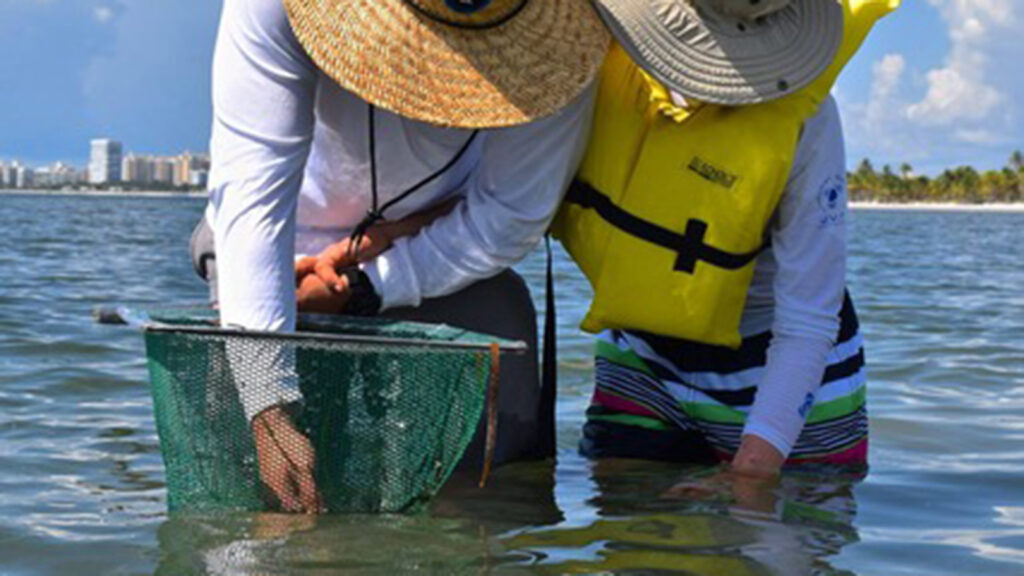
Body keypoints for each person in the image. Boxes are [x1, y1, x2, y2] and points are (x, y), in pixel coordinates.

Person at [190, 0, 609, 513]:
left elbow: (510, 214)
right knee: (257, 479)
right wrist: (266, 402)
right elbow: (252, 197)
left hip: (442, 245)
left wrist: (366, 286)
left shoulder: (567, 36)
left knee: (495, 487)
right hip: (276, 241)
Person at [552, 0, 898, 488]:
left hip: (782, 359)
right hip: (642, 354)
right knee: (625, 533)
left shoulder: (811, 118)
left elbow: (808, 317)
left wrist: (752, 472)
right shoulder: (601, 65)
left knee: (780, 537)